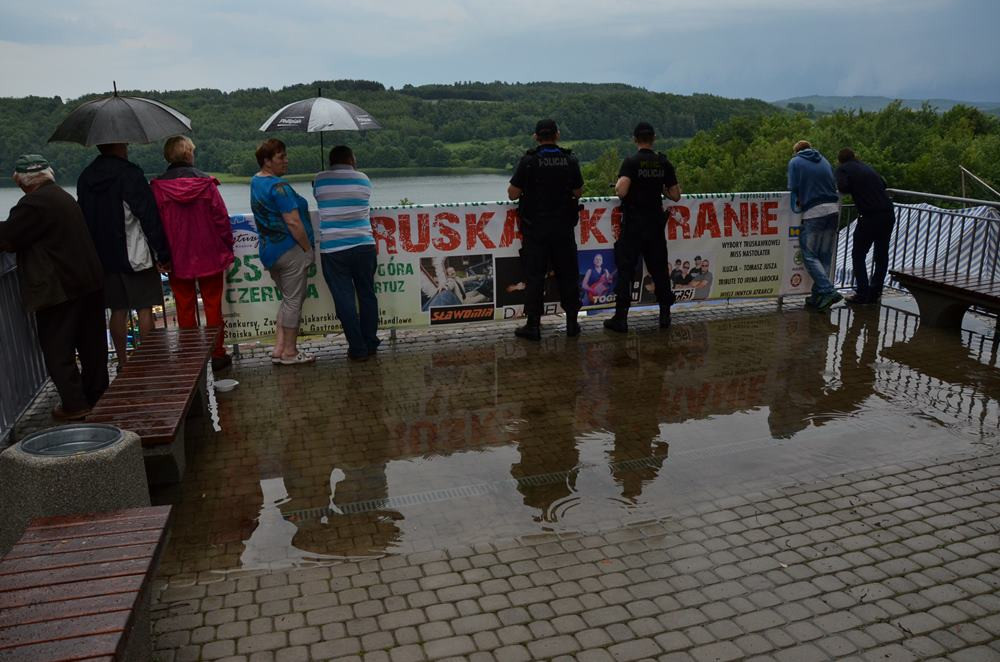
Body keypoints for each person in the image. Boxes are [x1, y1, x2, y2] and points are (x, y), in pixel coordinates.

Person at [0, 155, 108, 420]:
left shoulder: (34, 204)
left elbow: (8, 238)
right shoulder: (60, 196)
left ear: (22, 181)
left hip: (62, 287)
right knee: (91, 344)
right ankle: (98, 395)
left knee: (57, 347)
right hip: (89, 281)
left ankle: (75, 404)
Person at [77, 142, 172, 365]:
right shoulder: (130, 174)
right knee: (144, 307)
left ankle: (123, 361)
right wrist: (162, 253)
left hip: (103, 257)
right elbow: (148, 216)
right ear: (120, 146)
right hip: (135, 253)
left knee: (117, 311)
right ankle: (149, 360)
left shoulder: (85, 177)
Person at [151, 136, 235, 371]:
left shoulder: (158, 187)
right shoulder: (206, 184)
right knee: (212, 305)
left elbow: (154, 224)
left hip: (177, 257)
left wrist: (161, 254)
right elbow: (221, 220)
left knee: (184, 306)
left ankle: (190, 355)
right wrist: (227, 247)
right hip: (209, 253)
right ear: (189, 154)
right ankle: (218, 353)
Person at [508, 119, 583, 340]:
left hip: (536, 229)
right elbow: (578, 192)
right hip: (563, 228)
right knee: (568, 275)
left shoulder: (529, 161)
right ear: (557, 135)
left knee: (535, 277)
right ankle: (572, 324)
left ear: (536, 137)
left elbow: (512, 193)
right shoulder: (569, 160)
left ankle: (533, 325)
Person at [604, 122, 681, 333]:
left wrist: (621, 183)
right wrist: (661, 190)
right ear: (653, 138)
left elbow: (621, 191)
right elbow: (675, 195)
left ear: (635, 139)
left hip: (634, 225)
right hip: (655, 225)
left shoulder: (631, 162)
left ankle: (621, 318)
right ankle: (665, 316)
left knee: (626, 270)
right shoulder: (663, 163)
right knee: (659, 270)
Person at [250, 139, 316, 365]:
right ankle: (290, 352)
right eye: (281, 157)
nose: (286, 160)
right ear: (267, 162)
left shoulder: (256, 182)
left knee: (288, 300)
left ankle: (279, 349)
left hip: (270, 250)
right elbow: (294, 222)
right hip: (290, 250)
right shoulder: (280, 187)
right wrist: (307, 249)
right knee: (294, 302)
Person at [312, 145, 379, 361]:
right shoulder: (363, 179)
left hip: (334, 249)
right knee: (367, 295)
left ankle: (357, 349)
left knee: (344, 299)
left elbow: (318, 196)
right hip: (364, 245)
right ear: (350, 159)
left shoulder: (320, 180)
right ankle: (370, 342)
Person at [787, 140, 842, 311]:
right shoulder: (824, 160)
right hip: (833, 210)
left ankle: (827, 290)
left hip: (813, 212)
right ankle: (818, 296)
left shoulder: (795, 162)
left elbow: (793, 187)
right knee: (824, 255)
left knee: (809, 255)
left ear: (797, 151)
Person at [836, 148, 895, 304]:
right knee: (881, 255)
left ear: (840, 160)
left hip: (869, 216)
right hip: (888, 214)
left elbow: (842, 187)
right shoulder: (866, 167)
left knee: (858, 254)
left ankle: (862, 292)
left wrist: (853, 188)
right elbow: (883, 183)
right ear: (855, 156)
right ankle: (875, 292)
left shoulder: (843, 169)